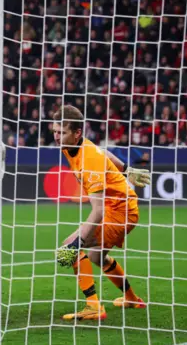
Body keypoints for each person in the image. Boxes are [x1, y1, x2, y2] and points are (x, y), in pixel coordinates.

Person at [54, 105, 151, 320]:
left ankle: (94, 307)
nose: (57, 137)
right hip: (116, 207)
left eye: (62, 133)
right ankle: (132, 299)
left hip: (120, 211)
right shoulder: (74, 146)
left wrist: (77, 241)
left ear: (77, 133)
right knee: (98, 257)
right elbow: (103, 151)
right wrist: (126, 170)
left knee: (69, 248)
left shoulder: (90, 161)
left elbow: (97, 212)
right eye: (55, 131)